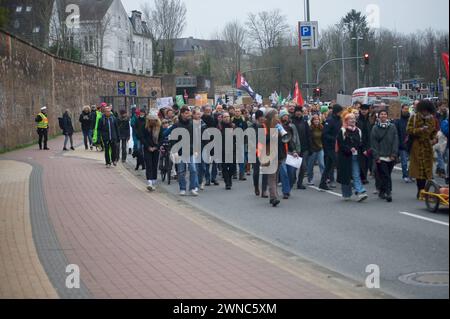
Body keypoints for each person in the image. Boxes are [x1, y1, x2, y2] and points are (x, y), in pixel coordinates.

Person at [407, 100, 438, 199]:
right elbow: (408, 130)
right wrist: (419, 130)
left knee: (427, 172)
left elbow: (434, 132)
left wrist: (434, 139)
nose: (425, 112)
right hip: (417, 146)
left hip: (428, 147)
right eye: (423, 110)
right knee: (418, 171)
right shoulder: (414, 117)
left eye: (427, 111)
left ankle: (425, 191)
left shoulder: (432, 119)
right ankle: (420, 191)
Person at [336, 112, 368, 202]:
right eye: (350, 119)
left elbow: (361, 142)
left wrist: (363, 150)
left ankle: (360, 191)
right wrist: (349, 149)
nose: (353, 120)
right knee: (346, 175)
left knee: (356, 174)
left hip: (356, 157)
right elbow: (341, 144)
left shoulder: (358, 130)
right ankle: (346, 194)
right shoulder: (342, 131)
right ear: (346, 121)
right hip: (345, 157)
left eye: (354, 118)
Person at [371, 110, 399, 202]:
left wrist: (394, 154)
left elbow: (395, 141)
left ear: (387, 116)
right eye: (381, 114)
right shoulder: (375, 128)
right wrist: (376, 156)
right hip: (381, 156)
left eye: (385, 114)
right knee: (385, 174)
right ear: (378, 116)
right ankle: (388, 192)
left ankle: (382, 191)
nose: (383, 115)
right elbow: (373, 143)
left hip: (390, 155)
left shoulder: (392, 127)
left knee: (386, 174)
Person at [171, 107, 199, 196]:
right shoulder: (177, 125)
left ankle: (192, 188)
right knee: (181, 171)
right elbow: (173, 139)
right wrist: (174, 151)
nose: (188, 115)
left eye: (189, 113)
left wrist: (196, 149)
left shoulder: (192, 124)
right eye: (186, 113)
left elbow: (195, 137)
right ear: (182, 114)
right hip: (180, 151)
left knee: (193, 170)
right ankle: (182, 188)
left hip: (190, 150)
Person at [319, 104, 343, 191]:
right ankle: (344, 180)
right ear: (337, 111)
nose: (341, 112)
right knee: (338, 163)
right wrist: (334, 139)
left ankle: (322, 183)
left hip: (336, 146)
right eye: (340, 111)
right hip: (329, 147)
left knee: (328, 166)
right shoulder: (330, 120)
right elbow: (325, 134)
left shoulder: (339, 120)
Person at [291, 106, 312, 190]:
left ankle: (300, 183)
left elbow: (308, 135)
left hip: (304, 147)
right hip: (294, 148)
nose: (298, 113)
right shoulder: (291, 122)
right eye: (297, 111)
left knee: (303, 167)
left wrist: (310, 147)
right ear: (295, 112)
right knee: (293, 168)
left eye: (300, 111)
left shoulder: (305, 122)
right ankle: (292, 180)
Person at [142, 113, 163, 191]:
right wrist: (148, 146)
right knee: (148, 164)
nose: (153, 122)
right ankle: (149, 182)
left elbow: (161, 138)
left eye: (154, 120)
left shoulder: (159, 127)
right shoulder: (145, 127)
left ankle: (154, 180)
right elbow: (142, 137)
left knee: (154, 164)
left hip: (156, 149)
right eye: (151, 120)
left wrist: (156, 147)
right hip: (147, 148)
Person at [395, 104, 413, 183]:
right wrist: (398, 143)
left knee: (412, 162)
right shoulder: (398, 120)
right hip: (402, 144)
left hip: (411, 144)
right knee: (404, 162)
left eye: (407, 109)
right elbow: (396, 133)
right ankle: (405, 175)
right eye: (405, 109)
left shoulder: (411, 119)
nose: (406, 110)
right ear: (401, 109)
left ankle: (410, 175)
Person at [252, 110, 269, 197]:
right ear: (258, 118)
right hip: (255, 151)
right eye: (262, 117)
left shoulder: (266, 126)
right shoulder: (253, 127)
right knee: (256, 171)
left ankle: (264, 190)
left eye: (264, 117)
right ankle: (256, 187)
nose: (263, 119)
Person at [220, 112, 236, 190]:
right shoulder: (219, 127)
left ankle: (229, 178)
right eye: (225, 117)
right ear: (222, 118)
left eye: (228, 116)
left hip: (232, 149)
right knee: (224, 167)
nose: (226, 118)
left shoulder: (233, 126)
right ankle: (227, 182)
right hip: (222, 149)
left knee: (232, 166)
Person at [307, 114, 325, 186]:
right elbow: (309, 139)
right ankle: (310, 179)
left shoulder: (322, 127)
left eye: (317, 119)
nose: (316, 120)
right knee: (310, 165)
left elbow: (324, 138)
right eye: (315, 119)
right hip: (313, 149)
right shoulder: (310, 128)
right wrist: (311, 148)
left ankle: (324, 179)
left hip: (320, 148)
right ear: (312, 121)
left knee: (321, 164)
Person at [357, 104, 372, 184]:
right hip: (360, 145)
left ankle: (364, 177)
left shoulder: (368, 120)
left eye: (365, 109)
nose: (364, 111)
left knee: (366, 162)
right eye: (362, 109)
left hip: (368, 144)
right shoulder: (358, 120)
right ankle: (361, 178)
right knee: (361, 162)